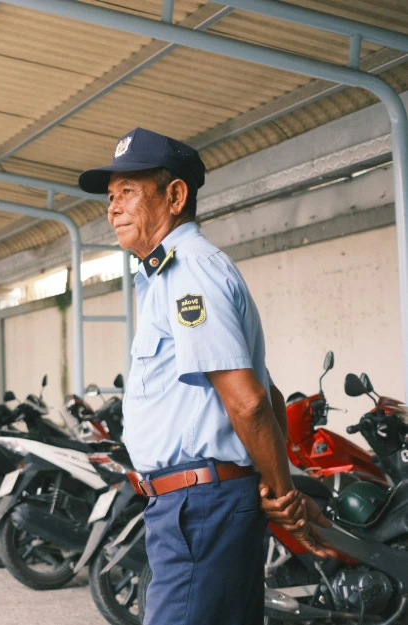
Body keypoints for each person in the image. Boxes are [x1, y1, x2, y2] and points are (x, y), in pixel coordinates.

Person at [78, 127, 335, 625]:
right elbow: (270, 391)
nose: (112, 208)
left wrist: (284, 496)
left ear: (175, 196)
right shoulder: (174, 275)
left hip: (198, 507)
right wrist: (275, 483)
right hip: (202, 503)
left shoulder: (186, 274)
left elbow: (250, 402)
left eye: (128, 192)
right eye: (110, 197)